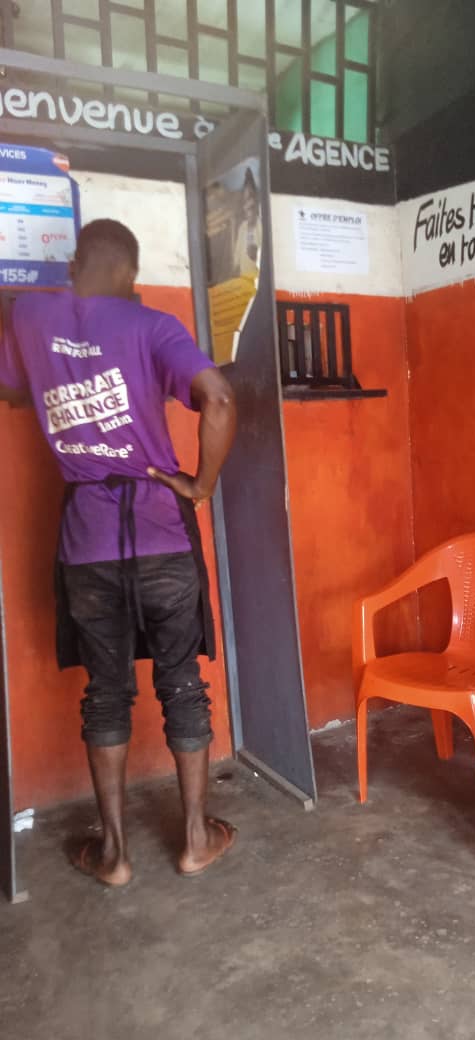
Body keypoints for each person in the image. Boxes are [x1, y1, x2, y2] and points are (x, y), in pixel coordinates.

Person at [0, 219, 238, 887]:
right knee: (182, 685)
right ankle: (195, 841)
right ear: (131, 274)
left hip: (88, 545)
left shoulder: (32, 318)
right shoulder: (152, 326)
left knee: (105, 694)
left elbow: (11, 386)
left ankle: (114, 856)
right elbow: (218, 397)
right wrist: (200, 486)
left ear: (74, 265)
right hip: (162, 535)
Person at [232, 166, 262, 278]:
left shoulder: (261, 226)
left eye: (250, 197)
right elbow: (236, 260)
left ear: (256, 200)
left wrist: (256, 255)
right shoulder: (242, 228)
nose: (248, 204)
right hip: (243, 281)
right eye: (245, 200)